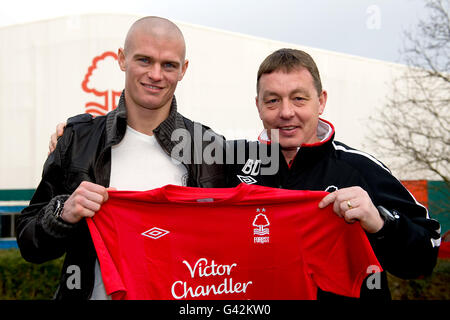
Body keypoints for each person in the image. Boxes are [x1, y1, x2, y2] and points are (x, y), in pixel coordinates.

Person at [45, 45, 440, 299]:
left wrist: (380, 222)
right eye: (273, 101)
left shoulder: (360, 168)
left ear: (320, 101)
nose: (286, 112)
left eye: (299, 99)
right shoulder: (231, 159)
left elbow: (424, 258)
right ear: (258, 105)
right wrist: (80, 130)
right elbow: (163, 141)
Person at [16, 16, 225, 300]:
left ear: (183, 69)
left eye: (168, 65)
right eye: (144, 60)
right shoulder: (78, 140)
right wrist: (63, 212)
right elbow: (30, 245)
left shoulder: (209, 148)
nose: (155, 74)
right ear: (121, 59)